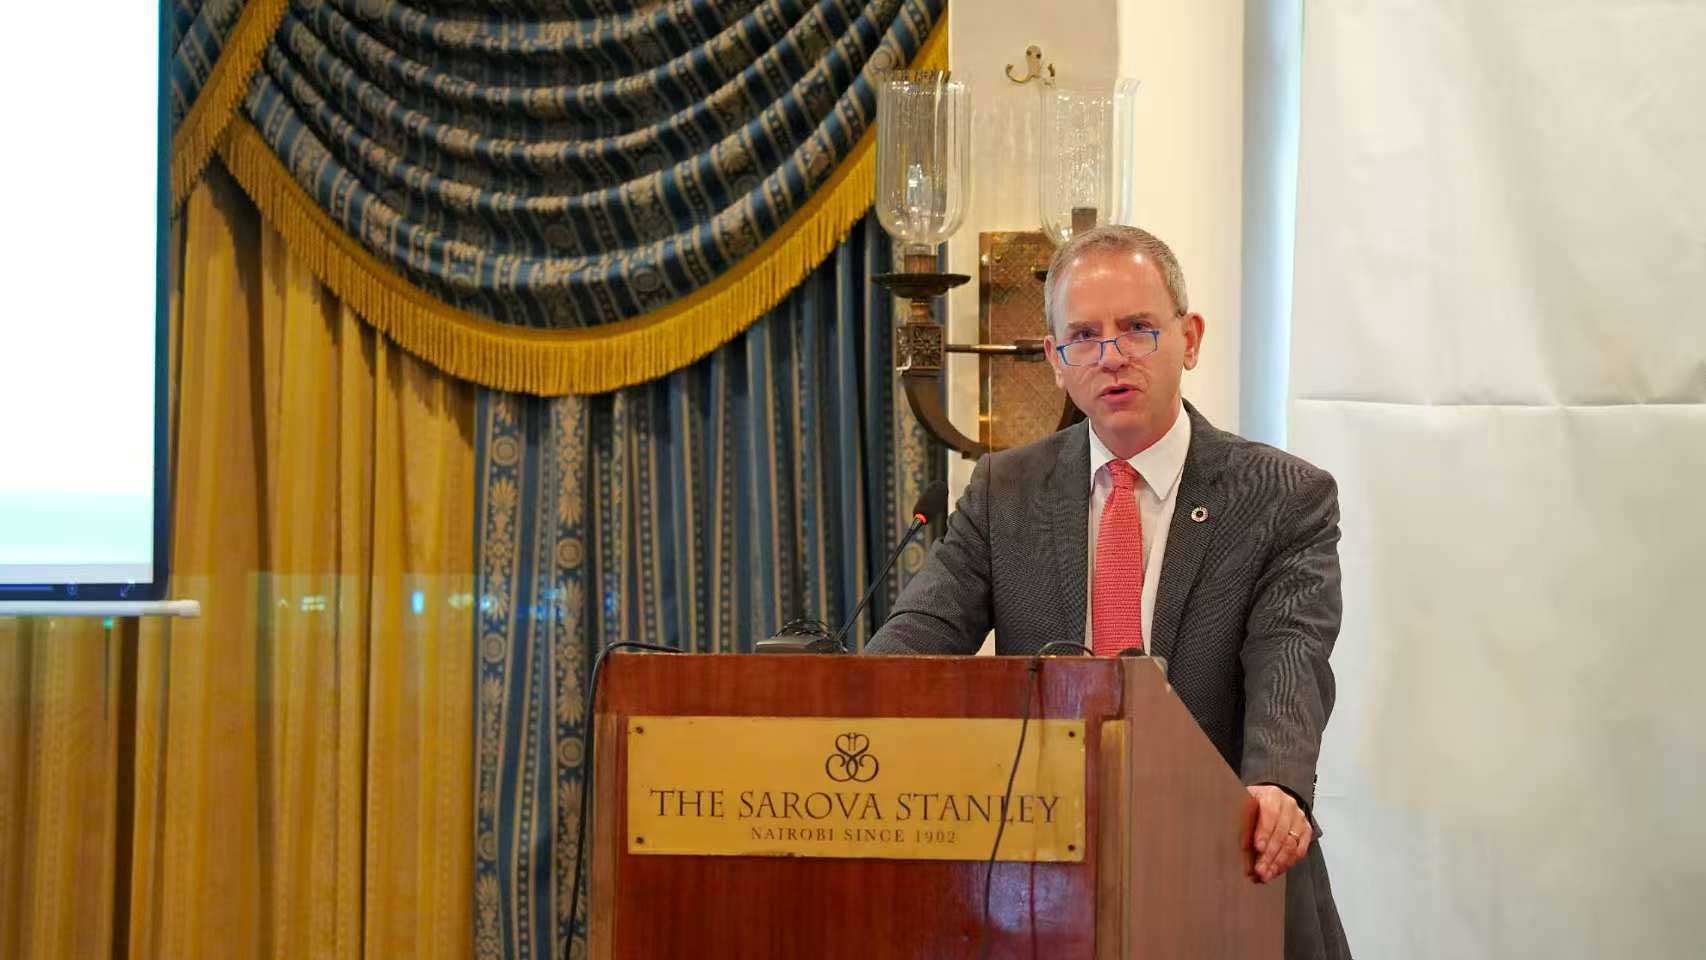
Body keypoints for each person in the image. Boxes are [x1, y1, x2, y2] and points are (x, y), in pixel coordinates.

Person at [865, 225, 1350, 959]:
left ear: (1189, 338)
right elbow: (911, 651)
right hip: (1046, 887)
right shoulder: (1006, 493)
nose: (1111, 355)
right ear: (1057, 361)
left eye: (1138, 329)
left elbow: (1291, 658)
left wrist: (1277, 784)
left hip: (1229, 861)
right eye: (1083, 336)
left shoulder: (1283, 496)